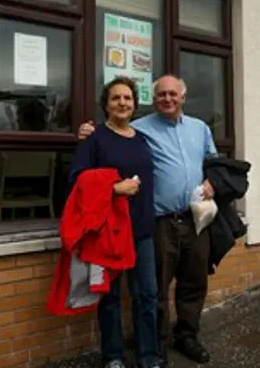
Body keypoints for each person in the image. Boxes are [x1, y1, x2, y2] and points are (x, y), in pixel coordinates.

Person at [79, 75, 216, 366]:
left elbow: (214, 164)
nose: (167, 99)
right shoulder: (135, 130)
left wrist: (212, 182)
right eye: (161, 94)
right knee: (137, 293)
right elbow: (84, 174)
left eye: (172, 94)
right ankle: (144, 351)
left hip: (184, 220)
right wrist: (86, 132)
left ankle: (179, 341)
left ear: (183, 96)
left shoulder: (197, 129)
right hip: (146, 224)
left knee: (183, 286)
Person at [69, 77, 160, 368]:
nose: (122, 103)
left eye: (128, 98)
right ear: (106, 105)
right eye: (116, 98)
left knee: (147, 295)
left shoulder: (142, 138)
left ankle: (148, 357)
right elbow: (77, 181)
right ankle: (114, 357)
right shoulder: (95, 139)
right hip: (107, 232)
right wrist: (113, 189)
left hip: (142, 230)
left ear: (134, 104)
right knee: (110, 298)